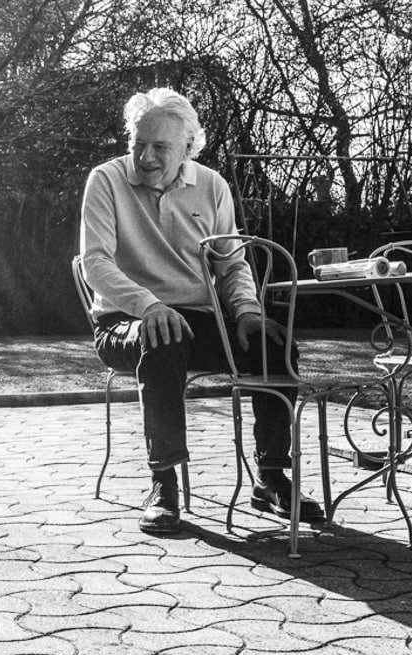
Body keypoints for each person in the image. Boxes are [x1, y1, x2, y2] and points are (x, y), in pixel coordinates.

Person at [79, 87, 325, 534]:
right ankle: (164, 483)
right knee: (163, 336)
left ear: (188, 148)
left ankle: (271, 477)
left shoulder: (212, 185)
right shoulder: (106, 180)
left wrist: (248, 311)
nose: (146, 157)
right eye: (139, 144)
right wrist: (148, 306)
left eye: (160, 147)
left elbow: (231, 264)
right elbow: (95, 262)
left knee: (275, 345)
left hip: (196, 317)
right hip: (123, 321)